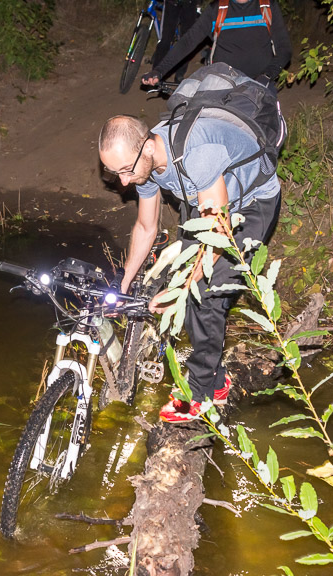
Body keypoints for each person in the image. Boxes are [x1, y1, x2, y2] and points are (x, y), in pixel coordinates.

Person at [98, 114, 281, 422]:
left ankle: (200, 394)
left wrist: (181, 290)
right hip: (208, 199)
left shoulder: (195, 154)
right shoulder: (146, 165)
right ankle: (216, 377)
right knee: (184, 279)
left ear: (148, 148)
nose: (124, 182)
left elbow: (219, 234)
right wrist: (123, 284)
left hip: (251, 204)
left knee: (203, 292)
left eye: (126, 171)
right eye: (114, 173)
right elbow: (146, 227)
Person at [141, 0, 291, 87]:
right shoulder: (218, 9)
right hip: (223, 84)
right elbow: (187, 42)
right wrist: (159, 71)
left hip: (261, 84)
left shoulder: (268, 7)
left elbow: (284, 49)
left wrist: (267, 75)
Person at [150, 0, 199, 84]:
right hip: (171, 3)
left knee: (187, 40)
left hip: (190, 4)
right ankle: (155, 74)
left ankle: (180, 74)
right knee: (165, 40)